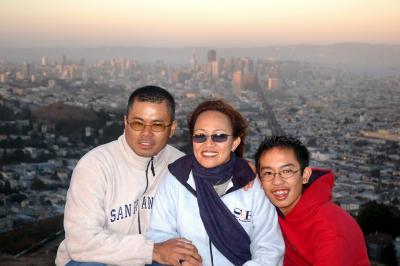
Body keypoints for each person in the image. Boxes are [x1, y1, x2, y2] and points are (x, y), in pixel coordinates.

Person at [55, 86, 202, 266]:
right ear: (126, 123)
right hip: (96, 261)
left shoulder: (181, 166)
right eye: (138, 123)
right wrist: (153, 251)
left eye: (157, 125)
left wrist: (243, 170)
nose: (146, 134)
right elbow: (82, 242)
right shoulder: (95, 165)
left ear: (171, 128)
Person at [147, 99, 285, 266]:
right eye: (200, 136)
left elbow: (269, 247)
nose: (208, 143)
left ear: (234, 142)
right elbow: (160, 234)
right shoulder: (176, 178)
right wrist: (180, 259)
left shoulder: (251, 183)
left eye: (219, 136)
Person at [255, 135, 370, 266]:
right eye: (268, 173)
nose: (277, 181)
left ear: (305, 175)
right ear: (260, 180)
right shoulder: (270, 210)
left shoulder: (331, 229)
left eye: (286, 171)